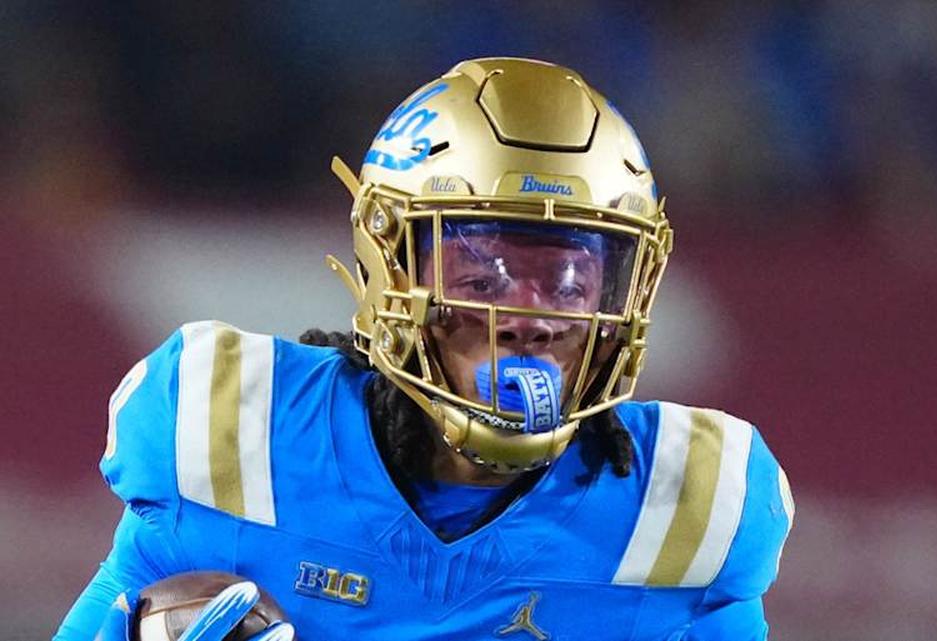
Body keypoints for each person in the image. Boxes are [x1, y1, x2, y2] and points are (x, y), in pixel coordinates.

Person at [55, 57, 794, 641]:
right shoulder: (227, 436)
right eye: (485, 269)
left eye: (568, 278)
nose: (527, 315)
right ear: (390, 263)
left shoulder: (683, 514)